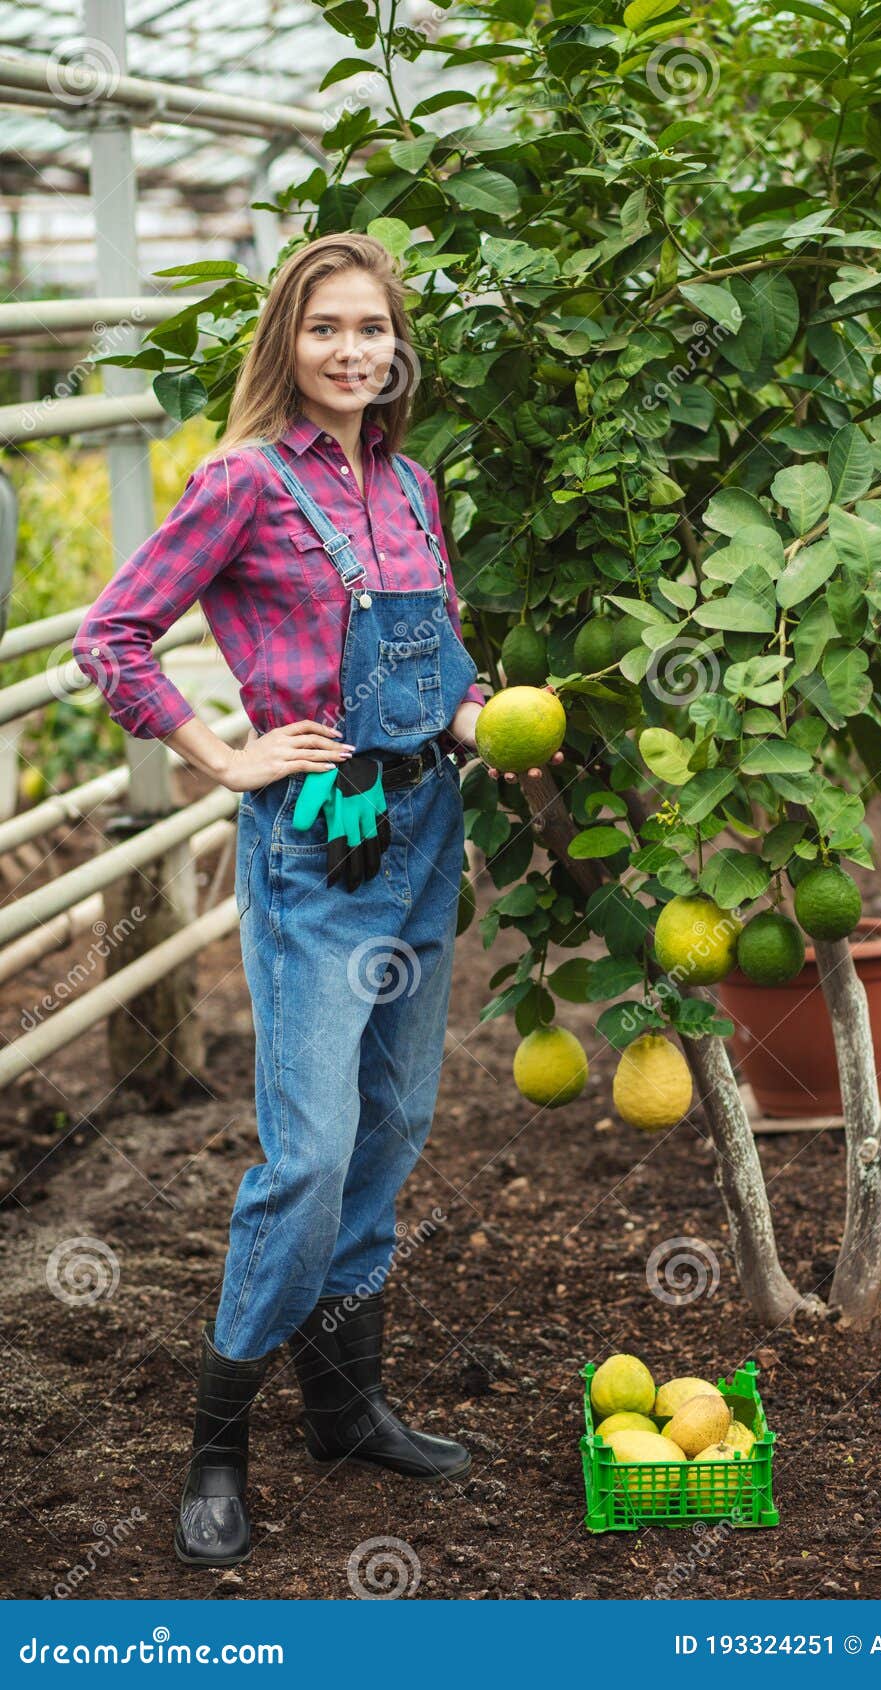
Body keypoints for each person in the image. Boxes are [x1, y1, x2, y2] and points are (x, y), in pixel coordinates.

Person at [72, 232, 563, 1569]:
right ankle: (217, 1443)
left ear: (399, 343)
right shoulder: (241, 482)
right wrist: (222, 753)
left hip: (421, 828)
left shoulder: (412, 486)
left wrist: (492, 721)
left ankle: (344, 1406)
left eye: (373, 328)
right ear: (288, 340)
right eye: (327, 328)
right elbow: (110, 631)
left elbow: (437, 669)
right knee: (308, 1153)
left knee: (395, 1125)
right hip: (315, 842)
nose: (354, 350)